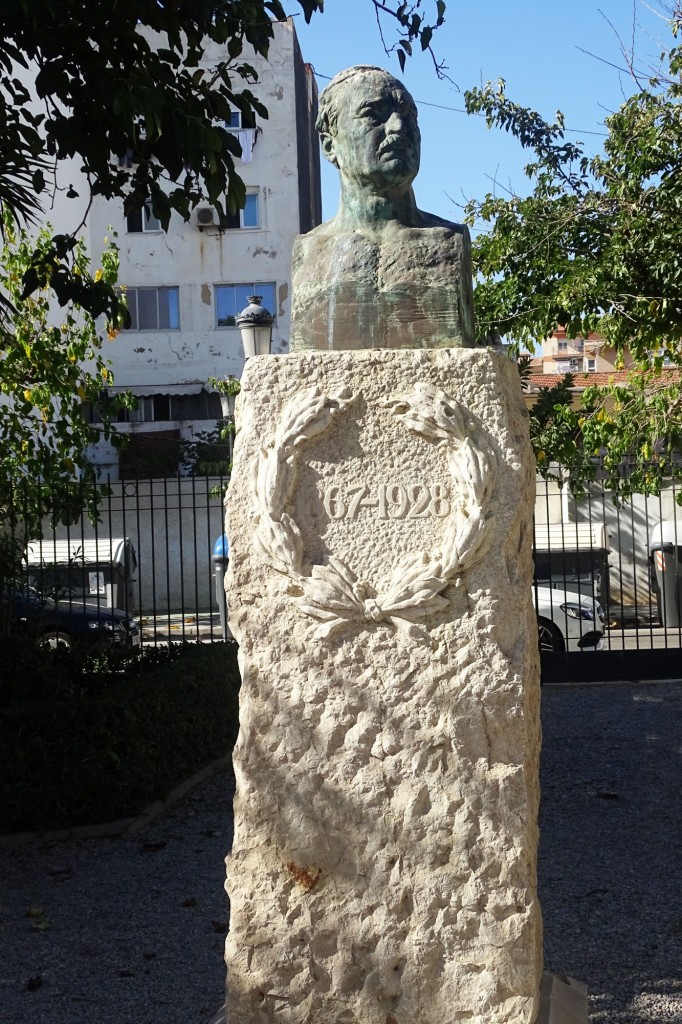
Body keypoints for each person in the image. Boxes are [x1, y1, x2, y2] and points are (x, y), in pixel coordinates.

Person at [290, 65, 475, 351]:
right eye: (373, 114)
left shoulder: (448, 242)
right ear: (329, 145)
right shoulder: (309, 252)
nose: (399, 127)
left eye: (409, 115)